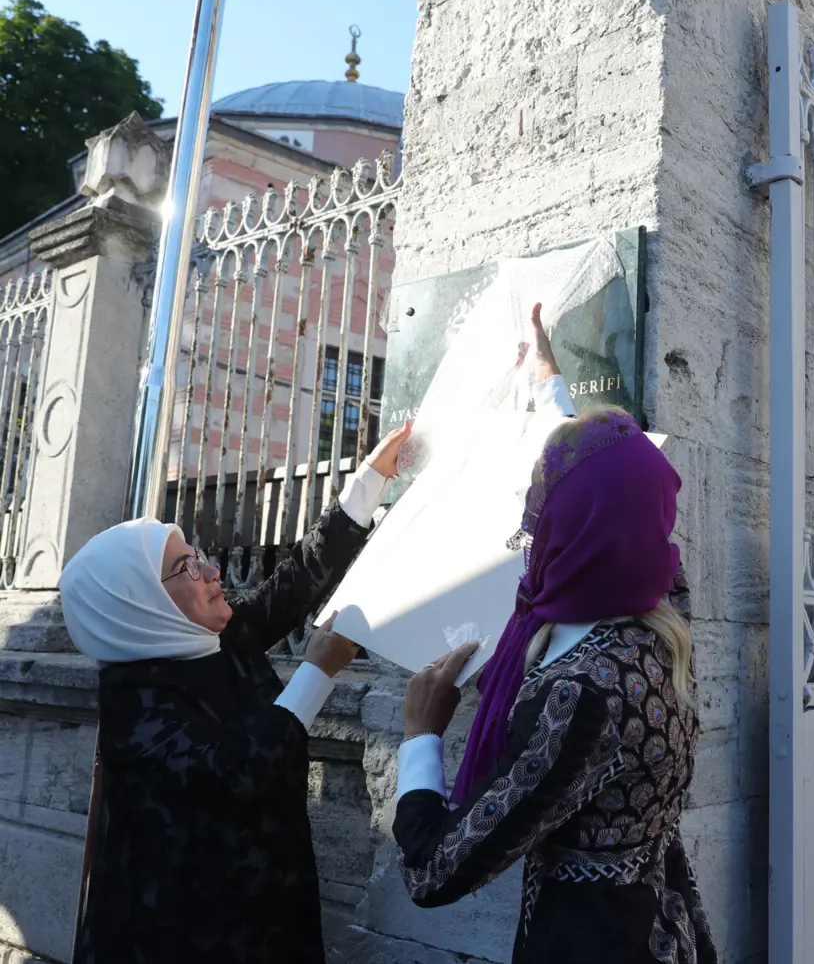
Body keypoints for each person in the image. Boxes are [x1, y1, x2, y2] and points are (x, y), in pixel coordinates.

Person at [393, 307, 717, 964]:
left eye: (539, 503)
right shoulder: (661, 602)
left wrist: (421, 735)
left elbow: (434, 872)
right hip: (665, 922)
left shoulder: (580, 694)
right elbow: (611, 487)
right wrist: (547, 382)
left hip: (595, 942)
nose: (530, 517)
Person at [58, 424, 409, 964]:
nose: (211, 570)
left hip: (268, 915)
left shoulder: (213, 639)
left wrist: (369, 480)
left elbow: (294, 585)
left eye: (197, 554)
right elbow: (237, 773)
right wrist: (315, 673)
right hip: (184, 937)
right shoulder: (135, 700)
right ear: (137, 602)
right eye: (185, 567)